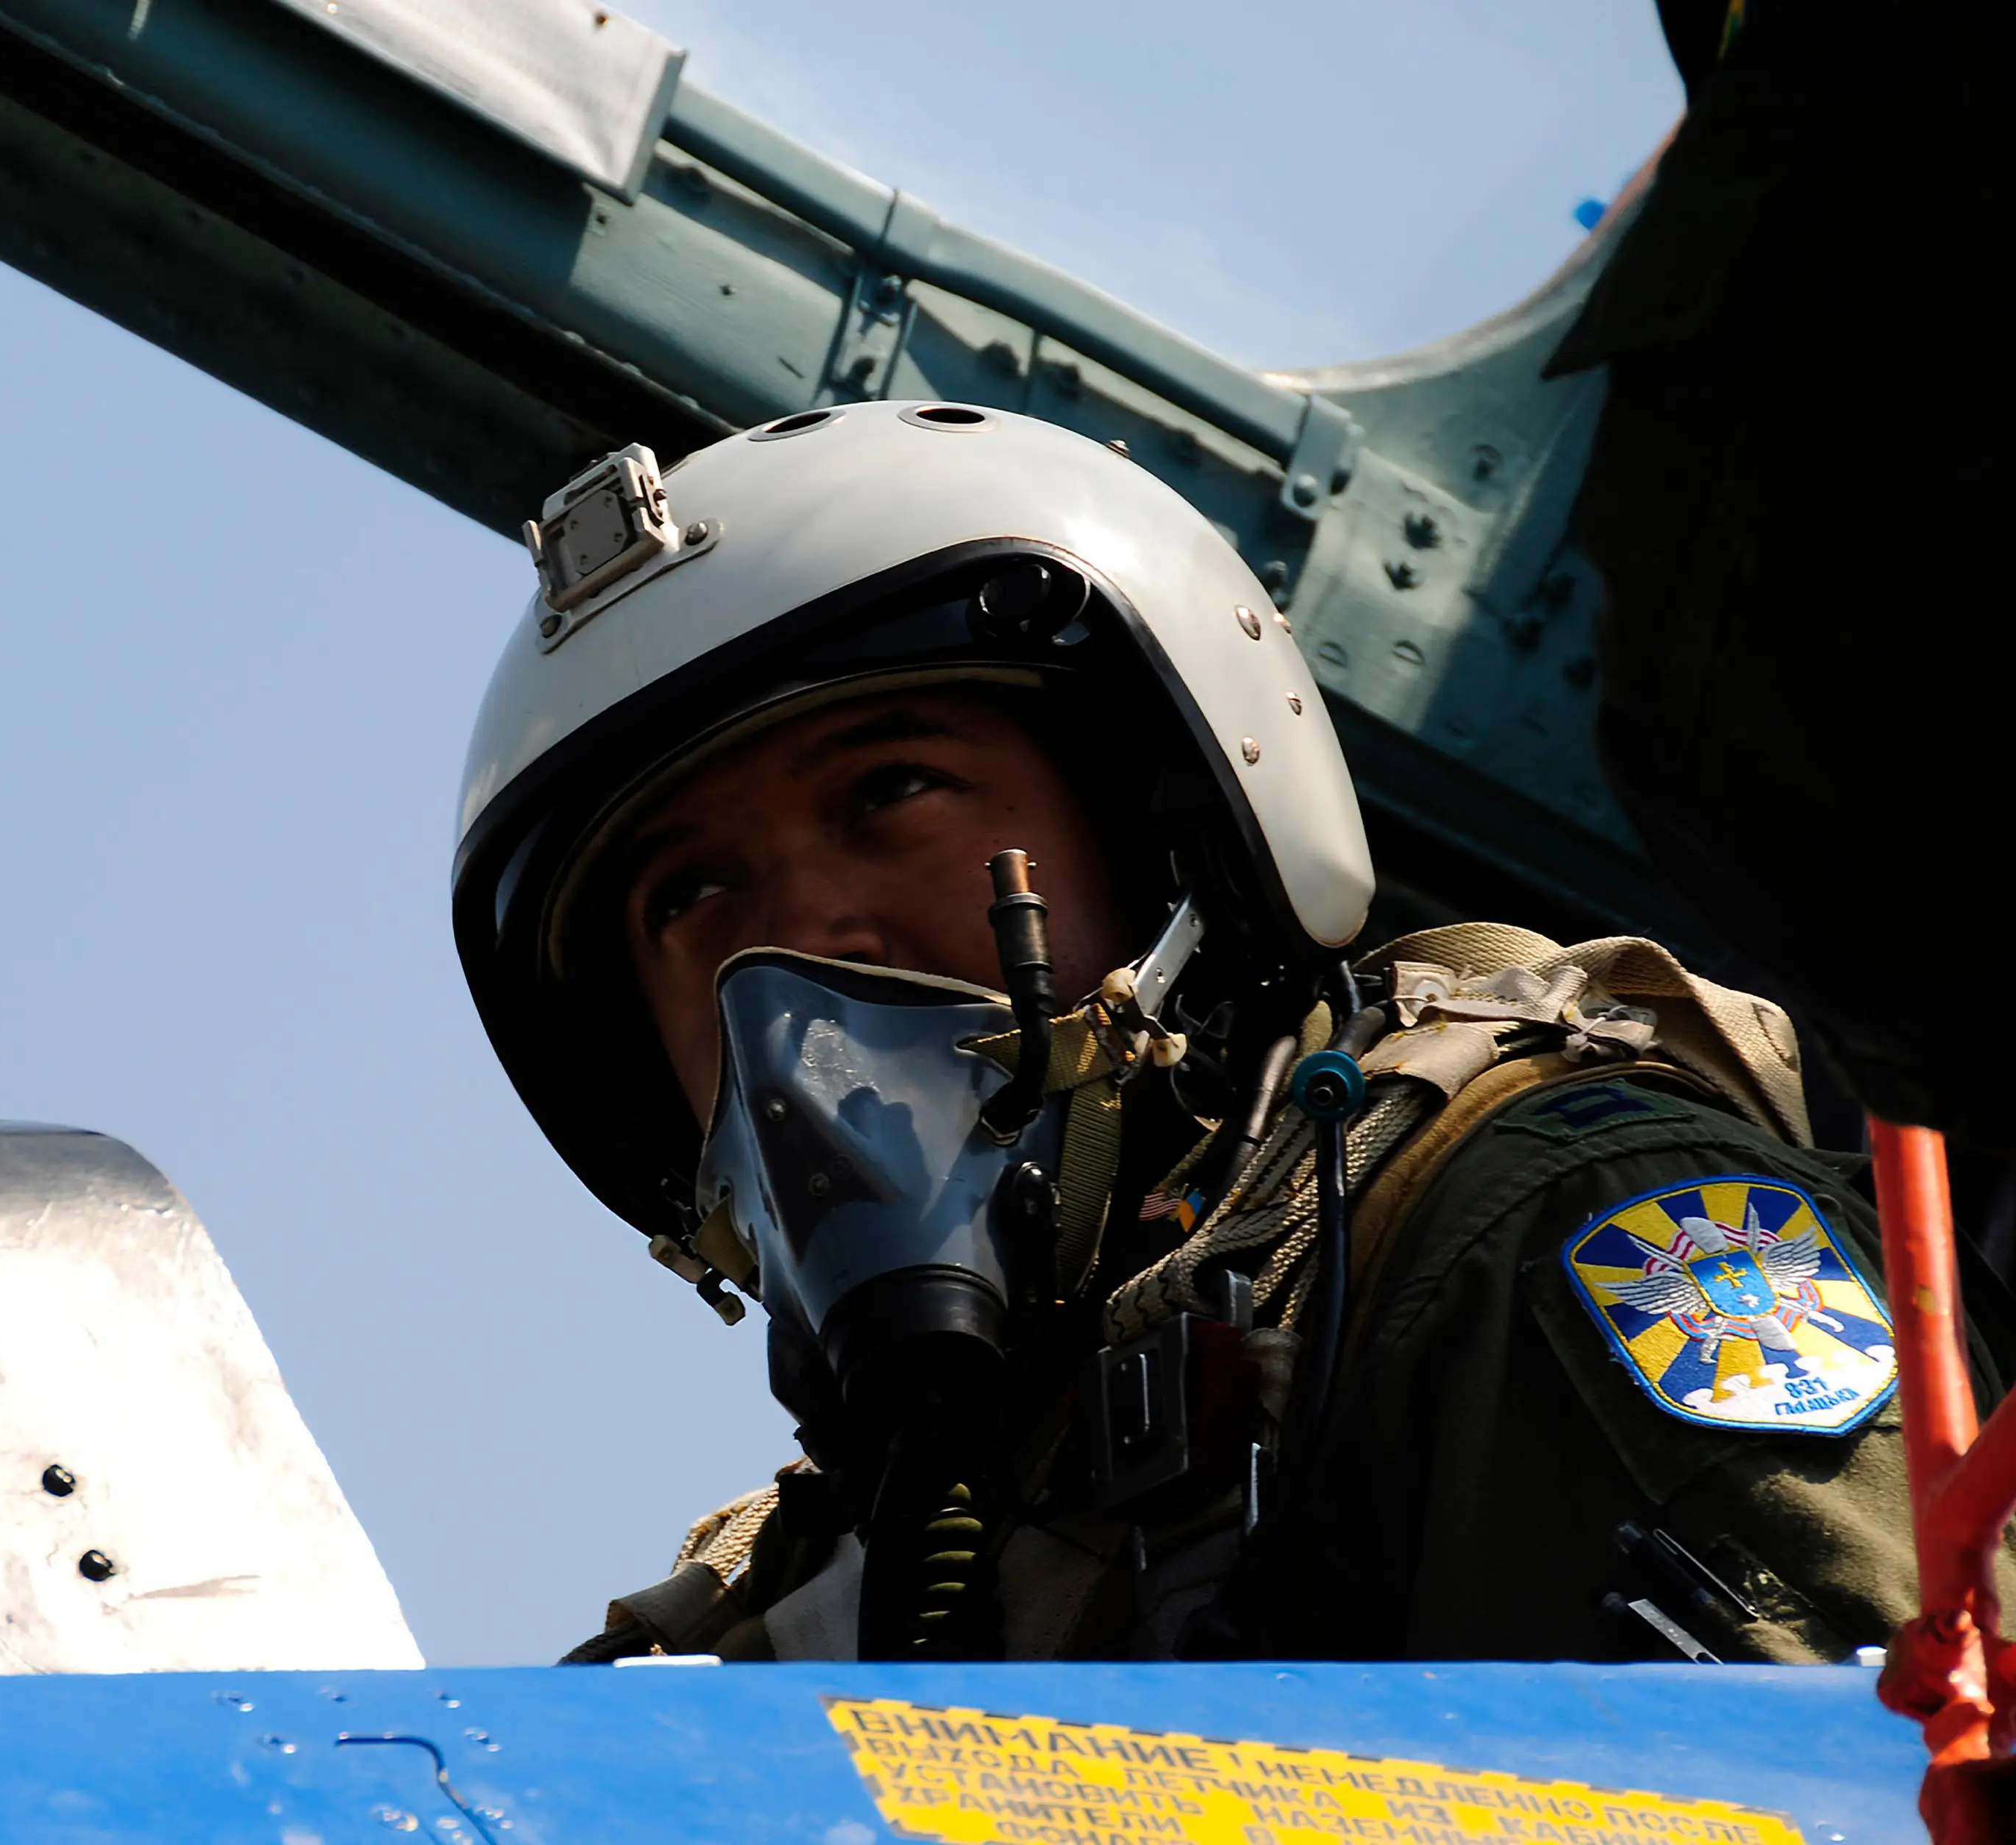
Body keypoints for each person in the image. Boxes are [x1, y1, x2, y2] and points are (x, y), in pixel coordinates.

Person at [449, 403, 2006, 1665]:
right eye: (690, 895)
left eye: (891, 794)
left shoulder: (1515, 1231)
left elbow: (1868, 1771)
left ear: (1168, 829)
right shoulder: (758, 1629)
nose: (808, 948)